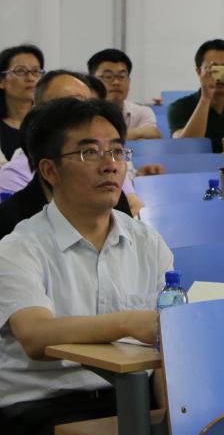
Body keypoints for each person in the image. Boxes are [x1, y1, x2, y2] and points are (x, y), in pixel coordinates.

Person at [0, 97, 172, 433]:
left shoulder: (148, 243)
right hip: (43, 406)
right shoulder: (18, 248)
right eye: (89, 152)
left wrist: (172, 418)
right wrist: (126, 323)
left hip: (133, 398)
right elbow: (35, 335)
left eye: (117, 151)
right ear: (50, 171)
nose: (110, 165)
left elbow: (167, 351)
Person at [0, 71, 141, 238]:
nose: (83, 115)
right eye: (89, 152)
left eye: (86, 104)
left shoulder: (111, 198)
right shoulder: (11, 227)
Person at [167, 39, 224, 153]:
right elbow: (186, 147)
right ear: (199, 72)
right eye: (213, 69)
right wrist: (205, 99)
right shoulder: (179, 107)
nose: (220, 77)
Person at [87, 48, 161, 141]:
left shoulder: (141, 113)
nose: (116, 82)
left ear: (129, 81)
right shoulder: (82, 113)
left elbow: (153, 135)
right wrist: (138, 133)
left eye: (122, 76)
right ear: (92, 82)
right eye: (108, 77)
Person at [0, 45, 45, 164]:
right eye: (20, 71)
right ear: (2, 81)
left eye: (35, 71)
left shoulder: (49, 123)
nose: (30, 78)